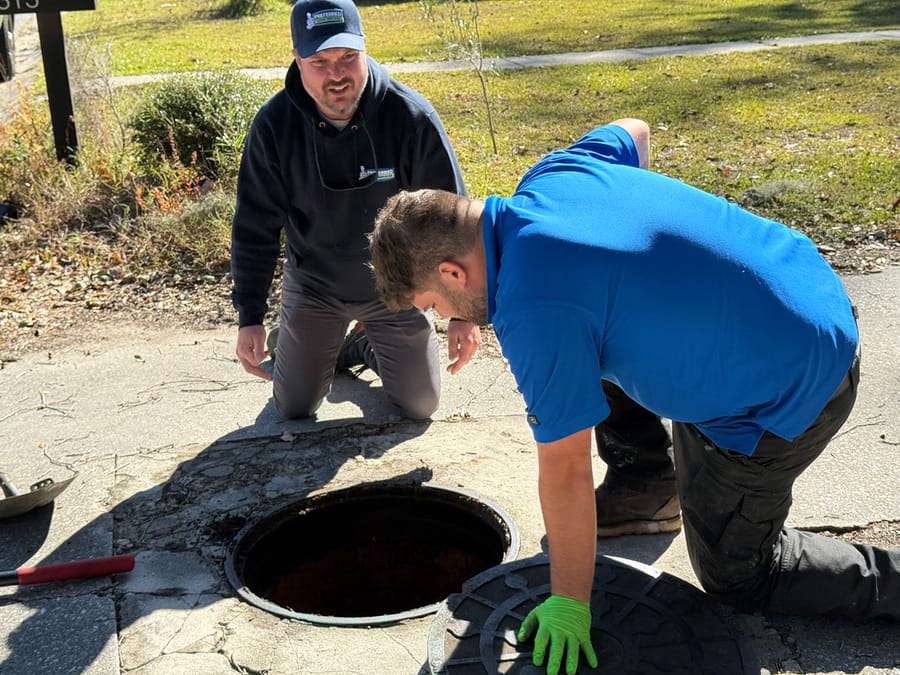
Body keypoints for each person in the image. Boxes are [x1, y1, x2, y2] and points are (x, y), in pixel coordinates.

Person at [369, 118, 900, 675]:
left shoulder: (535, 308)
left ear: (454, 271)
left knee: (737, 577)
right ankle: (648, 488)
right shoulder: (553, 177)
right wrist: (660, 267)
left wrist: (570, 602)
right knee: (594, 342)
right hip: (807, 289)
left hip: (792, 386)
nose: (444, 317)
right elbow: (635, 131)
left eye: (434, 305)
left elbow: (566, 468)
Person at [231, 0, 481, 420]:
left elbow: (454, 221)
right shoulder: (274, 127)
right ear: (297, 60)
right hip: (314, 286)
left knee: (421, 406)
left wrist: (463, 312)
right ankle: (304, 341)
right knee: (292, 406)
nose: (337, 74)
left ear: (365, 48)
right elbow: (254, 227)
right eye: (319, 61)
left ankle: (363, 344)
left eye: (348, 57)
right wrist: (250, 316)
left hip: (396, 289)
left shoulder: (411, 117)